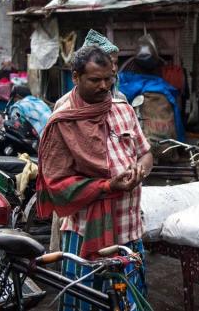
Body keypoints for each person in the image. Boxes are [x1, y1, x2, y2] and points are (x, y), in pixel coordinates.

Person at [37, 46, 153, 310]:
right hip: (84, 232)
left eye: (108, 78)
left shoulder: (123, 108)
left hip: (129, 231)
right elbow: (55, 184)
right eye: (95, 80)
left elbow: (146, 153)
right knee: (84, 302)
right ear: (75, 77)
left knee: (129, 302)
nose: (104, 86)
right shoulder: (63, 119)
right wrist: (107, 186)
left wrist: (140, 171)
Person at [55, 29, 125, 110]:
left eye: (115, 63)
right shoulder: (64, 105)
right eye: (95, 80)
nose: (113, 68)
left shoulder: (120, 100)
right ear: (76, 77)